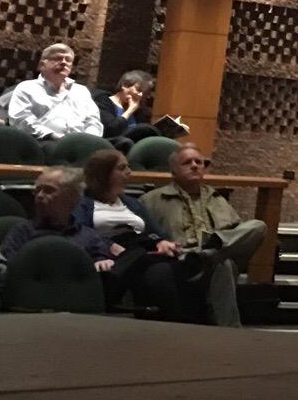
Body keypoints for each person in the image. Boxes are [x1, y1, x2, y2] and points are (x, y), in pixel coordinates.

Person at [137, 144, 266, 328]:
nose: (195, 165)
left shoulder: (218, 199)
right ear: (173, 171)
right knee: (223, 264)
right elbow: (144, 235)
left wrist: (215, 248)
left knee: (258, 226)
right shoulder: (152, 200)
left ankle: (209, 250)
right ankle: (230, 333)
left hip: (214, 257)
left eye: (199, 162)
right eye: (187, 162)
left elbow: (238, 233)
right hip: (182, 262)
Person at [76, 148, 186, 318]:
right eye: (121, 168)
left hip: (139, 250)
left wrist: (162, 242)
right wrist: (108, 246)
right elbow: (79, 231)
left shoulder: (133, 204)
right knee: (158, 268)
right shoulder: (83, 203)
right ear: (103, 173)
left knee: (159, 269)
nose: (129, 172)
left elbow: (156, 232)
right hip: (112, 252)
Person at [0, 165, 112, 270]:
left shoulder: (89, 237)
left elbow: (100, 262)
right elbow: (9, 269)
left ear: (72, 198)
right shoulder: (21, 232)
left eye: (48, 190)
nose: (39, 196)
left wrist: (103, 264)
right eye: (37, 190)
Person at [3, 42, 104, 145]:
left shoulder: (81, 91)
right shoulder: (27, 88)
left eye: (68, 60)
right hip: (43, 142)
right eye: (58, 58)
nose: (64, 62)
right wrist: (53, 136)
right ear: (42, 65)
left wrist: (89, 140)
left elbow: (93, 121)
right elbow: (21, 120)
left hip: (81, 144)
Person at [94, 68, 158, 153]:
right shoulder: (104, 101)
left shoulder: (140, 112)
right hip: (113, 148)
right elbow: (110, 131)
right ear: (125, 86)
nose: (141, 95)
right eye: (139, 90)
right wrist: (129, 111)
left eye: (145, 92)